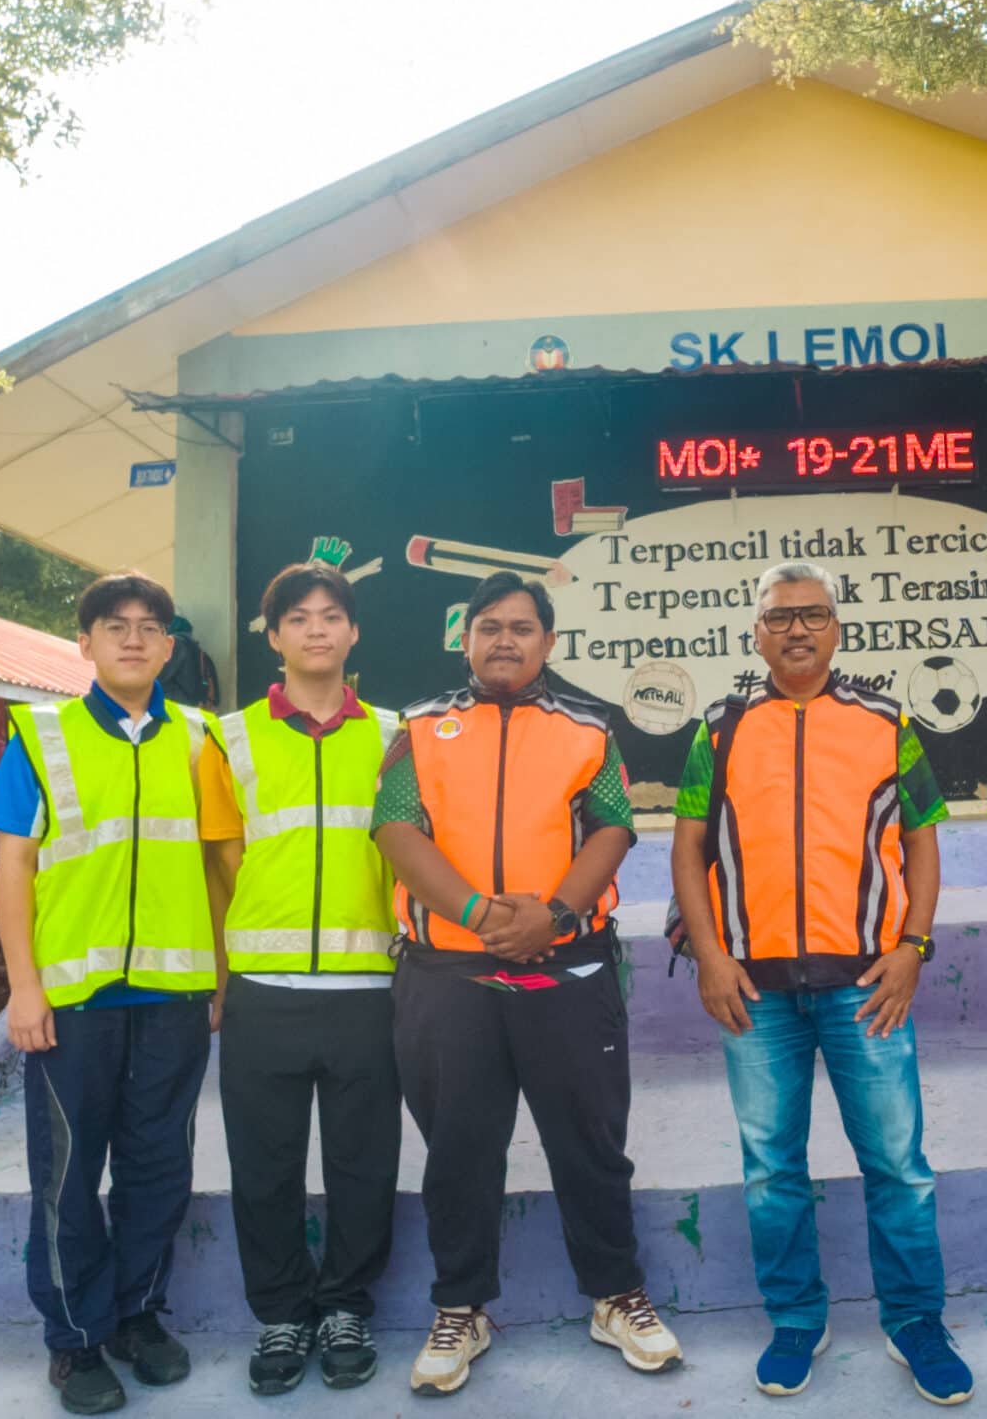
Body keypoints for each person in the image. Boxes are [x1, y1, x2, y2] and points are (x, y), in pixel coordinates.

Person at [670, 561, 974, 1407]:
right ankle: (797, 1319)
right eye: (779, 617)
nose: (796, 628)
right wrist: (710, 954)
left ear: (837, 627)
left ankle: (916, 1321)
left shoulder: (887, 722)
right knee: (772, 1166)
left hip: (864, 982)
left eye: (812, 614)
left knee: (898, 1164)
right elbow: (687, 846)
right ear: (755, 633)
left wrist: (913, 943)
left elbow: (921, 838)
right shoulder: (720, 728)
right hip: (754, 989)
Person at [371, 570, 681, 1398]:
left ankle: (616, 1295)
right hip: (449, 972)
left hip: (565, 966)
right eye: (488, 626)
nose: (504, 639)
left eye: (521, 627)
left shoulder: (587, 727)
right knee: (460, 1150)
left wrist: (556, 914)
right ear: (464, 638)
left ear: (548, 642)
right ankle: (461, 1306)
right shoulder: (420, 726)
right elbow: (395, 826)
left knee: (589, 1141)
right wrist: (478, 911)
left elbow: (615, 823)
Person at [0, 572, 218, 1416]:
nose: (133, 639)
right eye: (114, 626)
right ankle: (75, 1338)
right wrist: (23, 988)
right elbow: (15, 867)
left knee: (160, 1165)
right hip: (72, 1003)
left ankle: (137, 1314)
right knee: (70, 1175)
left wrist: (218, 975)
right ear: (84, 641)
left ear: (169, 646)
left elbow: (221, 864)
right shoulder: (40, 735)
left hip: (174, 994)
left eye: (151, 627)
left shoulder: (199, 739)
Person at [198, 563, 400, 1395]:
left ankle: (347, 1302)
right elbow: (222, 861)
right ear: (272, 633)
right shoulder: (229, 737)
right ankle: (282, 1311)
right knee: (266, 1164)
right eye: (299, 618)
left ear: (353, 633)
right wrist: (221, 975)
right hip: (264, 994)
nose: (317, 630)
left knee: (363, 1162)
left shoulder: (395, 733)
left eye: (333, 616)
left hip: (369, 992)